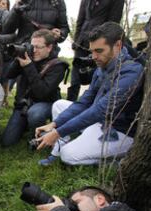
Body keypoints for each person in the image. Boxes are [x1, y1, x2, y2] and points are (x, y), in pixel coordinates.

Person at [36, 22, 144, 166]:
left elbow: (100, 110)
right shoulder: (104, 65)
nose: (93, 56)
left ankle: (119, 159)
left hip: (119, 131)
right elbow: (85, 102)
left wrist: (58, 132)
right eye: (92, 51)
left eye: (99, 50)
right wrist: (55, 124)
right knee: (59, 105)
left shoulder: (132, 72)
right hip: (99, 122)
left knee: (68, 156)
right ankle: (60, 146)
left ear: (118, 45)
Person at [1, 29, 68, 147]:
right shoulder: (28, 58)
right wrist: (17, 59)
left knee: (36, 114)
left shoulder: (57, 66)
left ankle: (37, 135)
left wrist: (28, 67)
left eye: (38, 47)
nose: (34, 50)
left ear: (49, 47)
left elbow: (42, 92)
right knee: (8, 142)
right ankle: (26, 125)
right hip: (24, 104)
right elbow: (8, 75)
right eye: (32, 46)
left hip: (44, 103)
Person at [67, 0, 124, 101]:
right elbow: (80, 21)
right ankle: (70, 102)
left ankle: (93, 103)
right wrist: (76, 41)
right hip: (82, 42)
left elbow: (113, 22)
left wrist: (104, 41)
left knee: (97, 76)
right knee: (75, 78)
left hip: (101, 43)